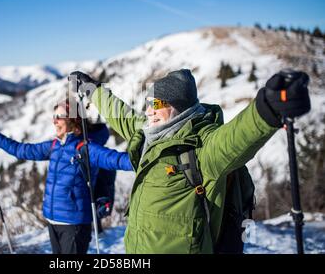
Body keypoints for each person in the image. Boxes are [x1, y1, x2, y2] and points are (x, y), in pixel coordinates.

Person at [69, 69, 311, 253]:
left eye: (157, 104)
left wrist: (267, 108)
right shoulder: (150, 133)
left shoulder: (203, 148)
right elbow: (120, 114)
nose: (150, 110)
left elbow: (237, 138)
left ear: (179, 108)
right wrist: (92, 89)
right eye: (149, 103)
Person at [0, 99, 133, 254]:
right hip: (53, 220)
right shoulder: (55, 146)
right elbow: (22, 150)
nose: (54, 121)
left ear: (73, 120)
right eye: (54, 116)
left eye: (59, 117)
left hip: (74, 224)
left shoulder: (86, 148)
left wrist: (145, 159)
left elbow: (117, 160)